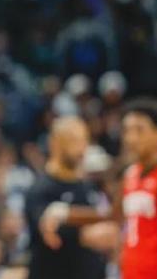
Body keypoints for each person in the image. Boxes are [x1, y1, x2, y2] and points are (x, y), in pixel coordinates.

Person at [39, 98, 157, 279]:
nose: (131, 138)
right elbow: (113, 215)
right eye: (126, 130)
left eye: (139, 130)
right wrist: (64, 213)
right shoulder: (131, 175)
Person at [24, 117, 116, 279]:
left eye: (84, 140)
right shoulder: (41, 189)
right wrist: (83, 235)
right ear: (54, 143)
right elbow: (48, 232)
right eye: (73, 140)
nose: (82, 148)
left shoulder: (89, 186)